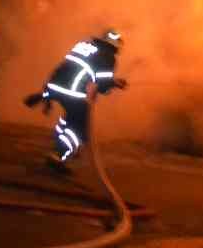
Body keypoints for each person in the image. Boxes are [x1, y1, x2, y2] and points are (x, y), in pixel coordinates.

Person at [23, 28, 127, 169]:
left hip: (54, 84)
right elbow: (103, 86)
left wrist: (48, 92)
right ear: (115, 46)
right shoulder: (108, 56)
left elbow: (66, 67)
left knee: (69, 118)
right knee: (81, 128)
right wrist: (116, 84)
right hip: (72, 91)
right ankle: (59, 155)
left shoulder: (84, 45)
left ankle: (47, 101)